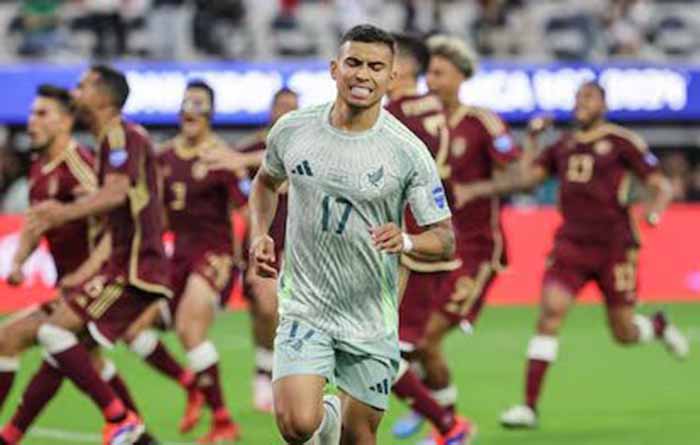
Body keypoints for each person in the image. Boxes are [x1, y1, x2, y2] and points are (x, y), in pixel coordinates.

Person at [248, 24, 456, 445]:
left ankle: (333, 424)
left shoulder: (407, 151)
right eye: (354, 63)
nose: (363, 74)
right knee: (296, 425)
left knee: (358, 435)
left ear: (391, 77)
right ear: (334, 69)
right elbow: (265, 182)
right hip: (306, 305)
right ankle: (324, 419)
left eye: (375, 67)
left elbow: (444, 238)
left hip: (370, 315)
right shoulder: (293, 129)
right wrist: (259, 233)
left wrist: (407, 240)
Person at [454, 81, 689, 428]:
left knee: (623, 332)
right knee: (549, 314)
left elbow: (660, 184)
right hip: (571, 245)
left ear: (603, 104)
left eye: (588, 98)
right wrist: (532, 140)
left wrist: (654, 212)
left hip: (615, 246)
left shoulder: (621, 141)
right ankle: (528, 407)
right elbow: (525, 180)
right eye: (578, 98)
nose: (581, 103)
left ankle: (657, 326)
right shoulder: (562, 145)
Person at [17, 65, 171, 445]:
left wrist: (63, 213)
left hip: (132, 267)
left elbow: (115, 194)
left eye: (83, 85)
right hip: (127, 264)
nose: (76, 91)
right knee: (64, 348)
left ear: (103, 96)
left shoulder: (119, 135)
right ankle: (132, 430)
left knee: (54, 334)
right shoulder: (109, 141)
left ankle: (121, 419)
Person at [405, 34, 521, 442]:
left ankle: (446, 422)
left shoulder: (482, 123)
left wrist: (476, 189)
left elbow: (517, 175)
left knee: (426, 338)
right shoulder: (421, 123)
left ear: (460, 76)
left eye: (440, 73)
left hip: (475, 248)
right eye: (429, 73)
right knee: (414, 339)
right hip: (430, 248)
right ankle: (443, 419)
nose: (431, 81)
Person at [140, 80, 246, 443]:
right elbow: (157, 216)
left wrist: (242, 258)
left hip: (214, 256)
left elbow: (245, 210)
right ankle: (189, 384)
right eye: (187, 103)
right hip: (177, 258)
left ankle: (223, 420)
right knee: (134, 327)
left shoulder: (222, 158)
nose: (191, 110)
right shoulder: (163, 158)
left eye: (199, 104)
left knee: (189, 329)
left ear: (210, 113)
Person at [384, 33, 473, 444]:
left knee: (385, 353)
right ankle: (444, 421)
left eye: (382, 63)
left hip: (415, 244)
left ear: (403, 67)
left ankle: (448, 424)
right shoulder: (433, 106)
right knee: (402, 347)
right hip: (428, 236)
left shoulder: (396, 113)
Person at [203, 86, 299, 413]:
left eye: (293, 106)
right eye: (281, 105)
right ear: (271, 110)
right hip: (263, 243)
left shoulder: (307, 147)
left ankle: (287, 376)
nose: (286, 111)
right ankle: (263, 370)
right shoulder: (251, 146)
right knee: (266, 308)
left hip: (304, 246)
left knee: (297, 317)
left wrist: (241, 160)